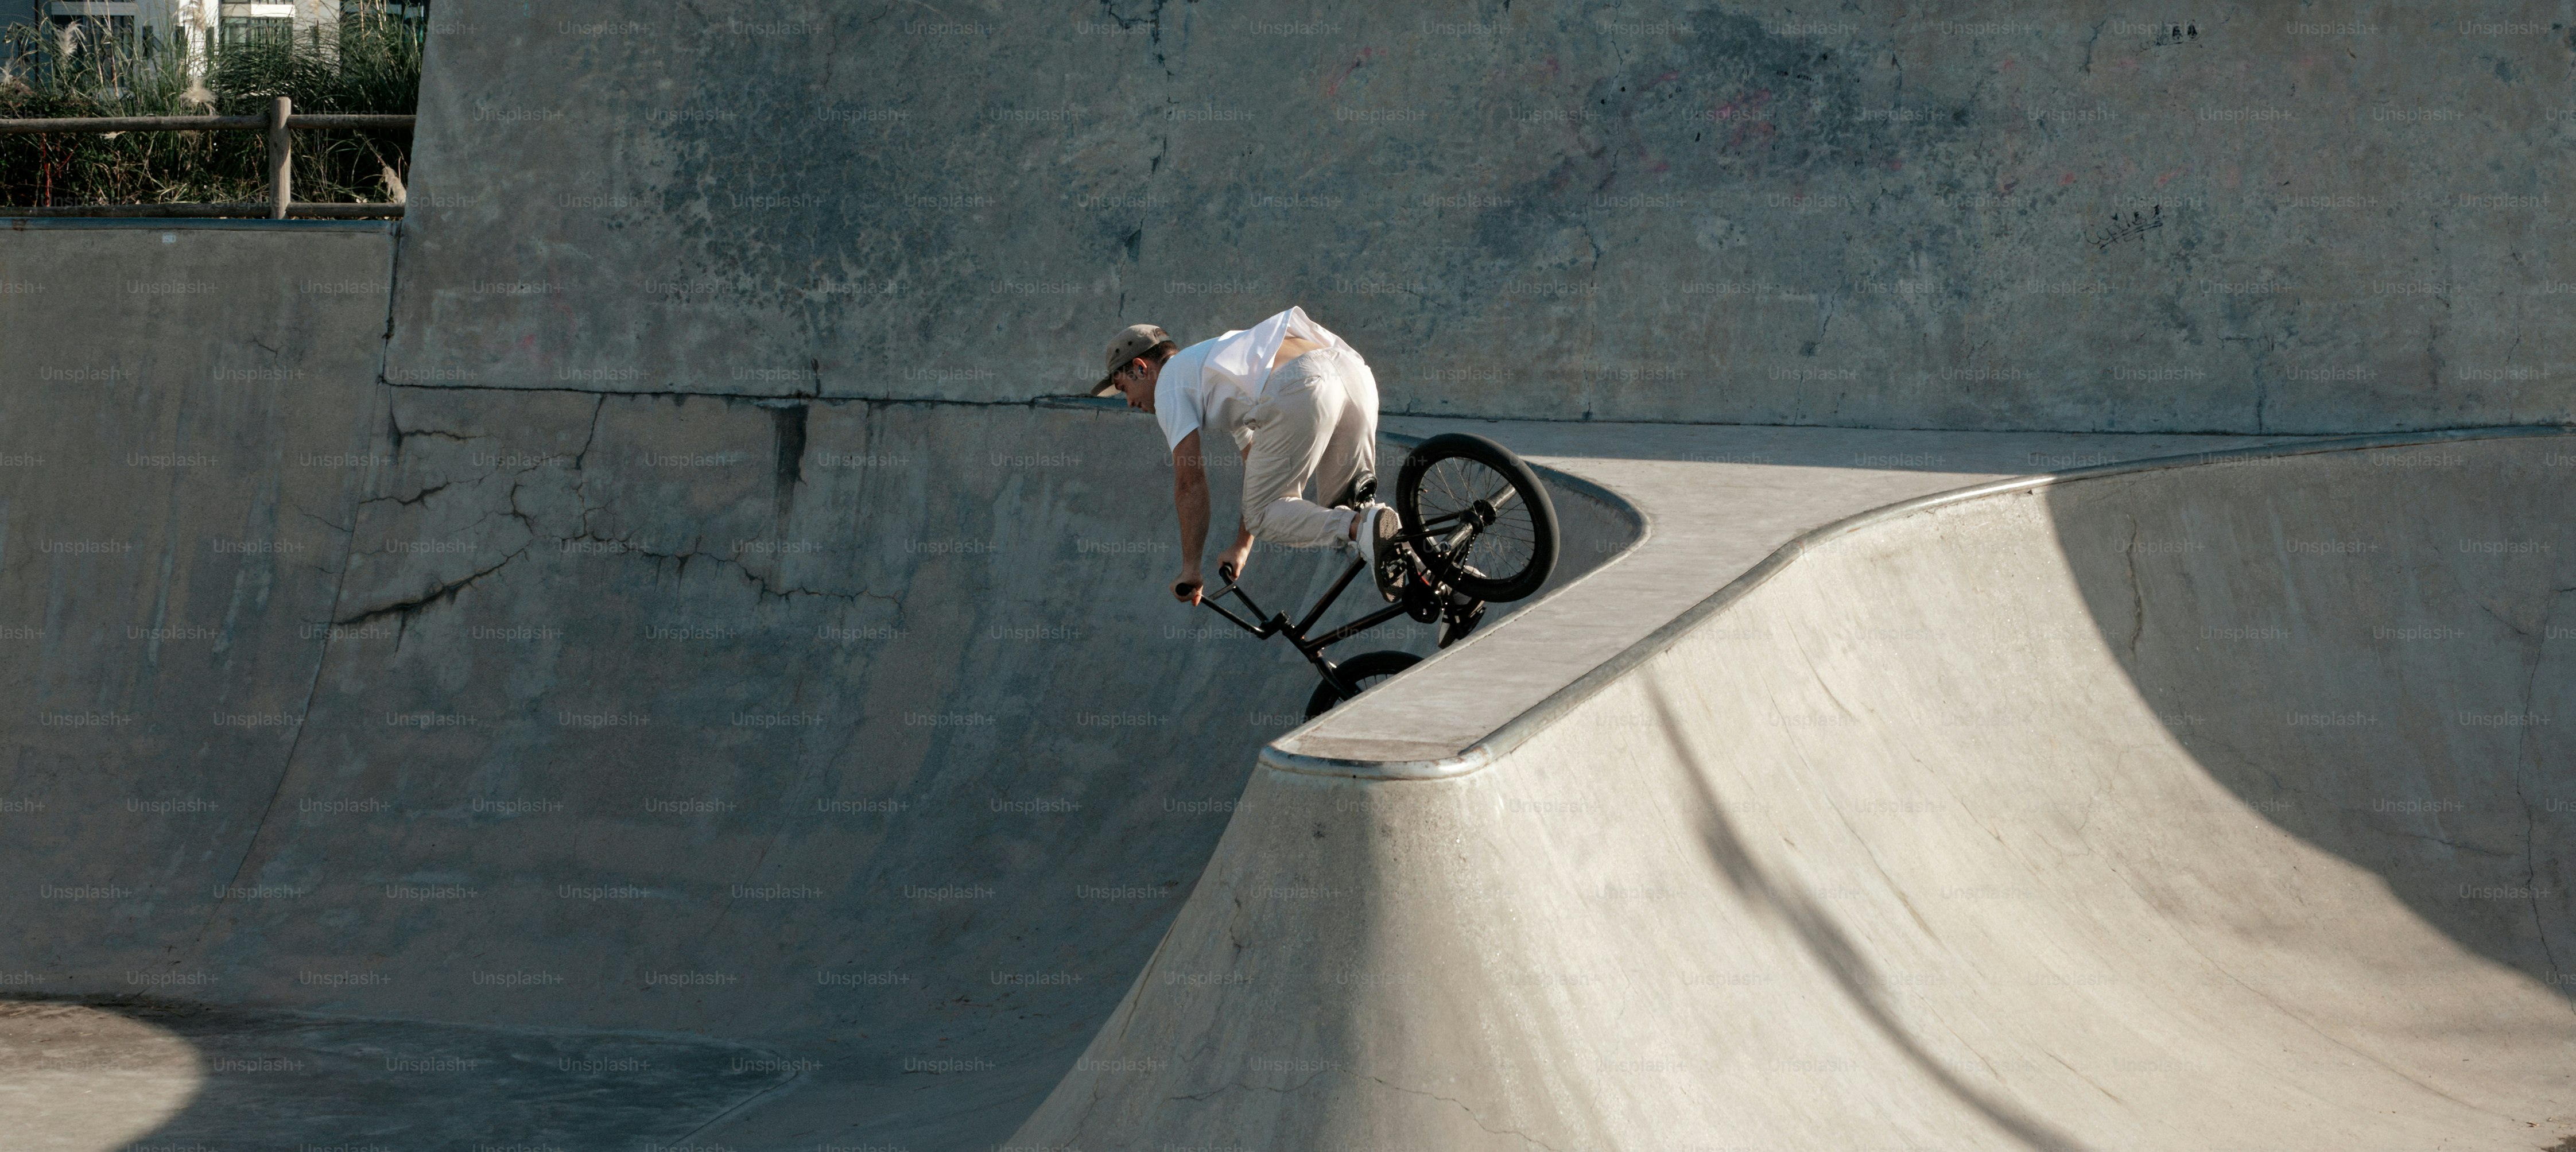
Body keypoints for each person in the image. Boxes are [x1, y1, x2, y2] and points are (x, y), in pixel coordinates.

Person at [1092, 307, 1407, 606]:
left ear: (1140, 368)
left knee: (1315, 521)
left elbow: (1190, 481)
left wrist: (1191, 568)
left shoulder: (1169, 385)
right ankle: (1438, 575)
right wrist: (1242, 546)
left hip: (1302, 383)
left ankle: (1363, 529)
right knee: (1356, 509)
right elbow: (1255, 468)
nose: (1130, 404)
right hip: (1352, 373)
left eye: (1123, 389)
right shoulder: (1217, 372)